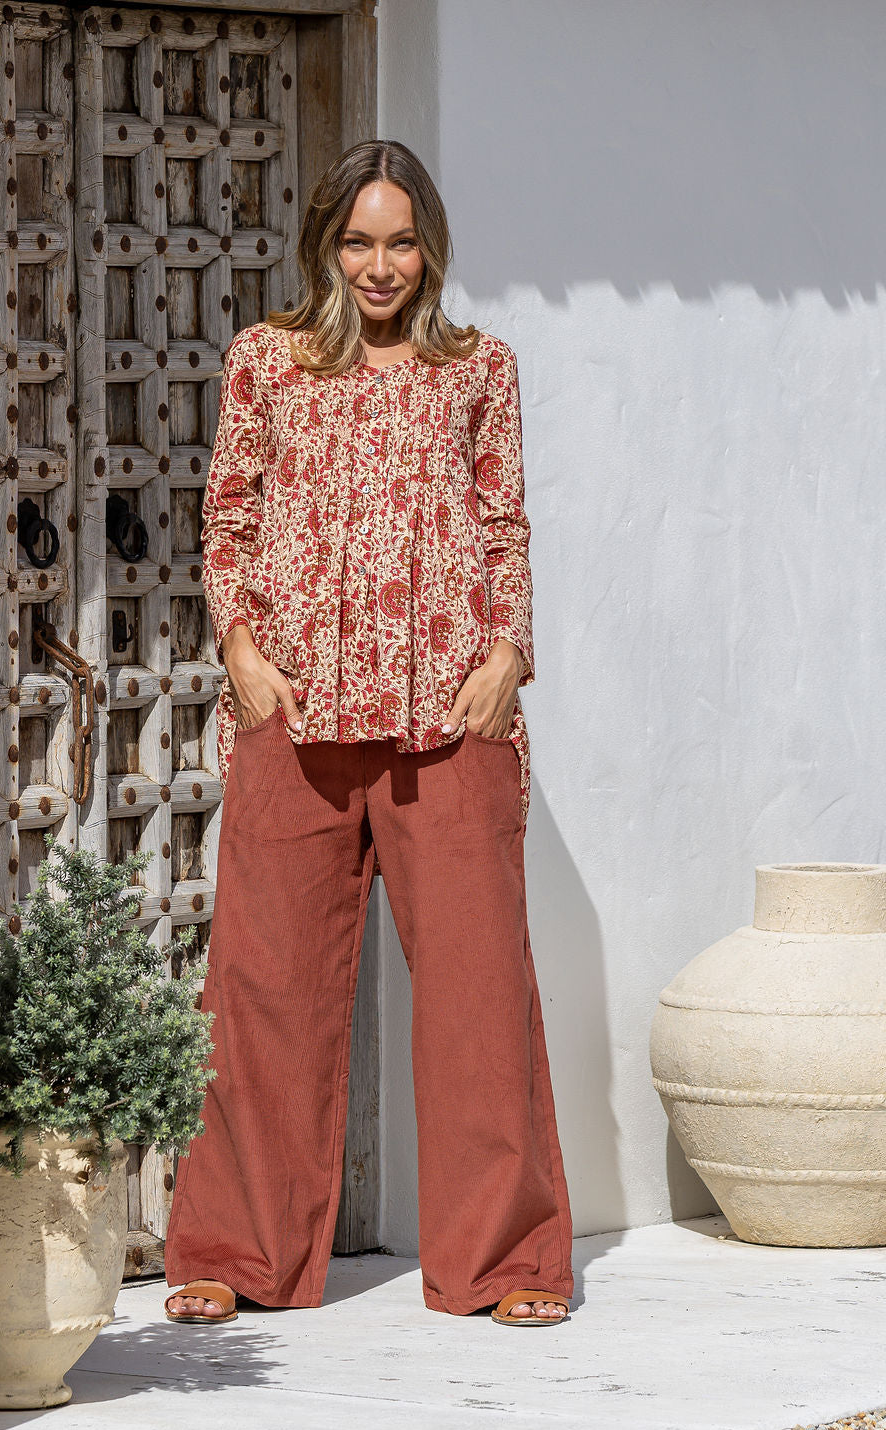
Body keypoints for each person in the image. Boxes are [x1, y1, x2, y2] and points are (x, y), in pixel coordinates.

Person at [163, 139, 574, 1327]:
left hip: (451, 714)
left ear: (430, 246)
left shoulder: (476, 368)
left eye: (400, 240)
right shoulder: (267, 364)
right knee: (260, 985)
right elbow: (226, 516)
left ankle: (503, 1261)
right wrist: (240, 648)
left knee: (479, 992)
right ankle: (235, 1250)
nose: (380, 264)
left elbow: (504, 523)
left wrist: (507, 658)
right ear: (324, 245)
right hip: (295, 712)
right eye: (358, 240)